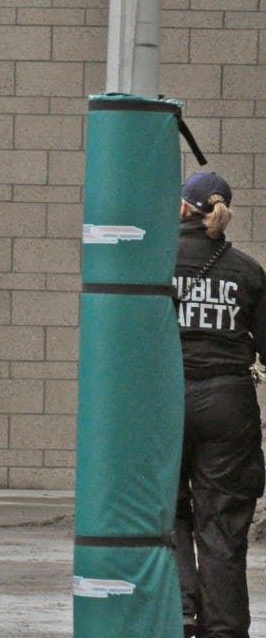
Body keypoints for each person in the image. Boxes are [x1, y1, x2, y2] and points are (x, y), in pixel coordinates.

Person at [172, 171, 266, 638]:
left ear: (184, 208)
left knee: (165, 511)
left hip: (165, 400)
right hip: (230, 403)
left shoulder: (154, 264)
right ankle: (225, 630)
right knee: (224, 524)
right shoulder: (248, 271)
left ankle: (181, 609)